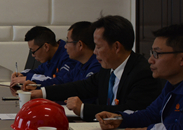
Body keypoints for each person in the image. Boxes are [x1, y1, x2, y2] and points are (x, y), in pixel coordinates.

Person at [22, 15, 162, 121]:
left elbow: (130, 111)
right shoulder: (108, 69)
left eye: (99, 47)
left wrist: (83, 109)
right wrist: (41, 93)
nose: (94, 52)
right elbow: (82, 86)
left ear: (116, 47)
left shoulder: (142, 73)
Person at [97, 24, 183, 130]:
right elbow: (150, 114)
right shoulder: (171, 86)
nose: (150, 60)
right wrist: (119, 119)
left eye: (157, 54)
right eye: (151, 53)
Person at [22, 21, 101, 88]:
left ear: (80, 45)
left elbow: (79, 90)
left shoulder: (96, 67)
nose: (65, 46)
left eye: (68, 42)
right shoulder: (80, 65)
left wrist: (41, 90)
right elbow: (61, 81)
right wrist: (36, 85)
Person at [11, 26, 77, 86]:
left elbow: (59, 81)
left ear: (46, 47)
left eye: (33, 51)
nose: (32, 55)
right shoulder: (49, 57)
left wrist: (28, 78)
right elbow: (38, 71)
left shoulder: (69, 56)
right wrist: (22, 74)